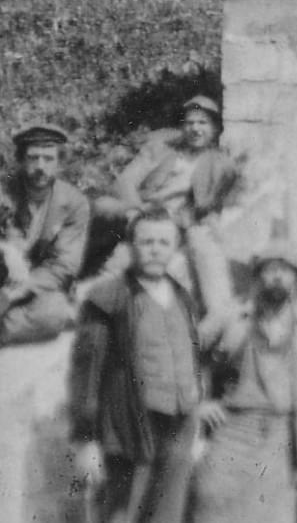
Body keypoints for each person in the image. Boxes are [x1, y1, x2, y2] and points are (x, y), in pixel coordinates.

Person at [69, 206, 202, 523]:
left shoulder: (183, 297)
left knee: (167, 513)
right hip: (129, 424)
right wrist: (87, 440)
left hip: (179, 425)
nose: (155, 249)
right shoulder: (107, 298)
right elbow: (87, 373)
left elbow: (191, 356)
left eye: (163, 242)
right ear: (131, 246)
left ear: (175, 247)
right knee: (121, 513)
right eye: (147, 242)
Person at [191, 251, 297, 523]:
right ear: (257, 277)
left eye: (286, 270)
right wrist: (197, 403)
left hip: (282, 438)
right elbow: (184, 353)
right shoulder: (232, 316)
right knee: (214, 511)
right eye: (270, 270)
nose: (278, 277)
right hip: (231, 431)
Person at [87, 95, 239, 314]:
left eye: (203, 123)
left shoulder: (219, 164)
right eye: (190, 123)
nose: (195, 129)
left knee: (132, 255)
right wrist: (138, 211)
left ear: (215, 129)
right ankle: (92, 300)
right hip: (143, 211)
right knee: (113, 229)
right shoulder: (162, 149)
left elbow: (215, 203)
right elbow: (126, 181)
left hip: (174, 222)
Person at [1, 123, 88, 346]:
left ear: (59, 163)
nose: (40, 166)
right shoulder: (4, 191)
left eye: (48, 159)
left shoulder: (74, 203)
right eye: (33, 158)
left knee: (52, 314)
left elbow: (64, 265)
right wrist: (6, 248)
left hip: (38, 285)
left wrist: (17, 292)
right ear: (21, 160)